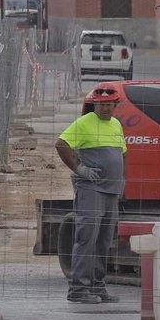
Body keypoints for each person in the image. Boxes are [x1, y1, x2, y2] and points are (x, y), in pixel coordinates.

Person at [55, 85, 129, 304]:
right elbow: (61, 144)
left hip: (111, 190)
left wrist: (122, 179)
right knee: (87, 238)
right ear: (94, 105)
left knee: (104, 240)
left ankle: (97, 286)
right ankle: (78, 289)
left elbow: (123, 153)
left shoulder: (116, 124)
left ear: (116, 105)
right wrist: (79, 169)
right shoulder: (84, 122)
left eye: (108, 104)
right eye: (100, 105)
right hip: (92, 189)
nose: (104, 108)